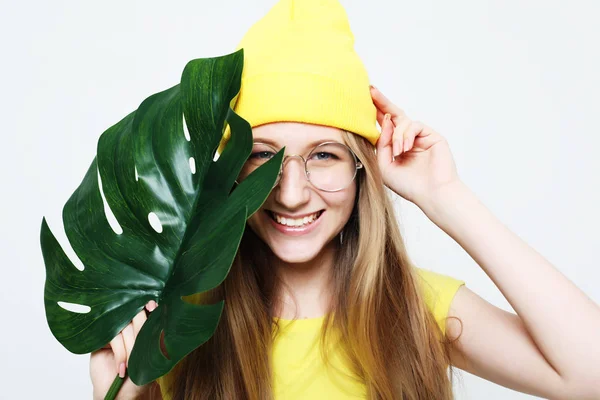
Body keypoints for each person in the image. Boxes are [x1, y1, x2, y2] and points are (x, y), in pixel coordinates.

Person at [90, 0, 600, 399]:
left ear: (363, 168)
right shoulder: (174, 326)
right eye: (262, 156)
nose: (290, 194)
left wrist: (446, 197)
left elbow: (590, 375)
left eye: (324, 156)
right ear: (230, 170)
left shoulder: (415, 308)